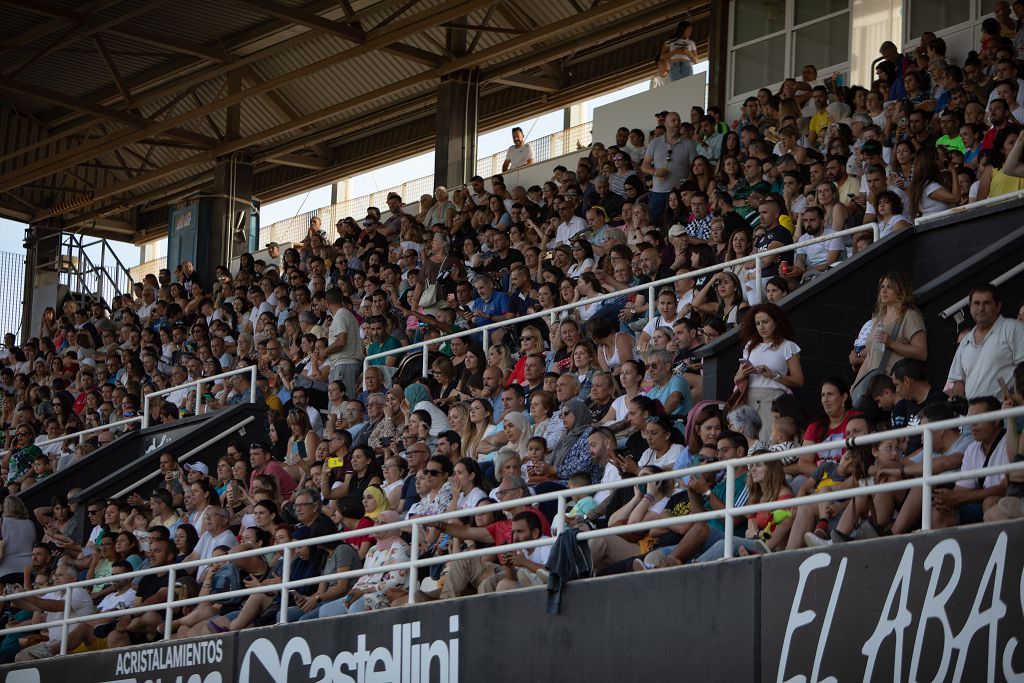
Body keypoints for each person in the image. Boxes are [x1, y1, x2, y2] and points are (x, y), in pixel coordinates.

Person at [735, 304, 804, 440]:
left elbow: (799, 380)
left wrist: (774, 375)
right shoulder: (750, 345)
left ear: (776, 322)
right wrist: (744, 374)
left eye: (765, 322)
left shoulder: (788, 346)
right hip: (749, 398)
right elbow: (736, 379)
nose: (761, 327)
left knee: (771, 441)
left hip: (773, 399)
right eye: (758, 323)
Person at [947, 283, 1024, 398]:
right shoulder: (965, 341)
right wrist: (958, 408)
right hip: (973, 414)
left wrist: (1014, 400)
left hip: (1006, 411)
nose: (981, 308)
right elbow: (957, 381)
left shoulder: (1013, 328)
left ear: (998, 306)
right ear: (970, 307)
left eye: (986, 303)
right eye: (976, 303)